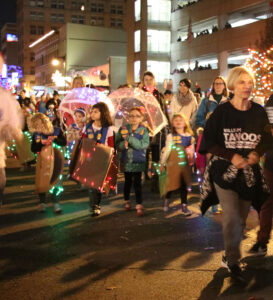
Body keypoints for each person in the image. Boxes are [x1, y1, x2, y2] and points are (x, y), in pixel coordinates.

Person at [199, 66, 273, 284]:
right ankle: (233, 261)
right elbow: (207, 142)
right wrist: (231, 156)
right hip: (224, 172)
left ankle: (228, 253)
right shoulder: (222, 112)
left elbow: (268, 139)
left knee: (239, 220)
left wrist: (256, 154)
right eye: (242, 82)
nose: (247, 86)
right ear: (232, 85)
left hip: (248, 175)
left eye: (249, 82)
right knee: (230, 215)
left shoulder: (258, 112)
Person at [196, 76, 229, 213]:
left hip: (225, 139)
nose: (218, 86)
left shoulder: (229, 101)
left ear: (224, 86)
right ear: (213, 85)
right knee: (211, 169)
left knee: (224, 170)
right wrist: (207, 121)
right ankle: (213, 202)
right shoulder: (206, 102)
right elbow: (199, 119)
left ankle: (224, 201)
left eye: (221, 84)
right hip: (210, 138)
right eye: (216, 83)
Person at [248, 94, 273, 256]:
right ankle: (262, 241)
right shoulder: (271, 101)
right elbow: (268, 128)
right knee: (267, 202)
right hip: (271, 162)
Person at [29, 113, 67, 213]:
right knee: (42, 180)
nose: (38, 128)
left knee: (56, 180)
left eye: (39, 125)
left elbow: (64, 142)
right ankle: (42, 203)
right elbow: (33, 148)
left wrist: (54, 139)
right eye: (35, 126)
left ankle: (56, 203)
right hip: (43, 161)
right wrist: (41, 144)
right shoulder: (36, 134)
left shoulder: (57, 130)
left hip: (56, 159)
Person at [116, 107, 150, 216]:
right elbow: (117, 143)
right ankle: (126, 200)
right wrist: (123, 145)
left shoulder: (143, 130)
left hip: (138, 160)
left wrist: (130, 139)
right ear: (128, 117)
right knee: (127, 181)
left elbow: (143, 145)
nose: (134, 118)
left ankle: (139, 204)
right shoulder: (123, 128)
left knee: (137, 183)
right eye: (131, 115)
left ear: (141, 118)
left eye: (137, 116)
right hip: (126, 160)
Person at [83, 102, 114, 217]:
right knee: (92, 184)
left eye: (96, 111)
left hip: (102, 159)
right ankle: (94, 205)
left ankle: (96, 204)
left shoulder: (108, 129)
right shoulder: (87, 127)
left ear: (103, 113)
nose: (92, 114)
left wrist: (103, 149)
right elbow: (83, 141)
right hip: (89, 159)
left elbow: (111, 146)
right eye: (92, 111)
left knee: (97, 184)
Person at [160, 113, 194, 215]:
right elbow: (167, 150)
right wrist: (162, 162)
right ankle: (167, 199)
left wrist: (191, 155)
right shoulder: (171, 136)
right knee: (172, 183)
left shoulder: (189, 137)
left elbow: (192, 150)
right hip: (173, 164)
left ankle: (184, 205)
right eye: (176, 120)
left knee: (184, 184)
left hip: (184, 164)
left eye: (181, 120)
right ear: (173, 124)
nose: (178, 121)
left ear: (185, 123)